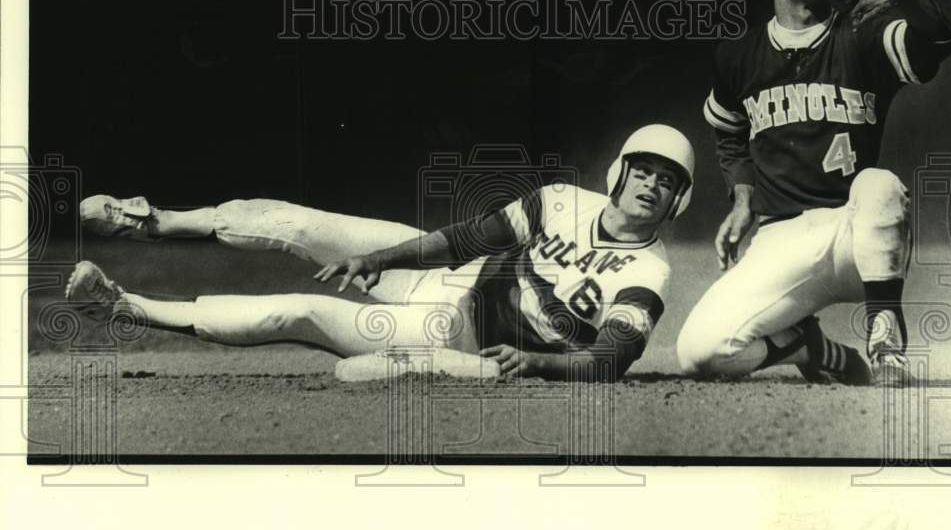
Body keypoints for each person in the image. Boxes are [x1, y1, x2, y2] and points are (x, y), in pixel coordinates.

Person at [67, 124, 694, 382]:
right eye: (645, 171)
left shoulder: (650, 270)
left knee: (299, 313)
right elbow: (465, 240)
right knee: (301, 222)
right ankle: (154, 221)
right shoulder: (561, 200)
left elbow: (612, 359)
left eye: (667, 181)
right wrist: (383, 259)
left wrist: (537, 362)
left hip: (458, 332)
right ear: (620, 172)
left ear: (676, 203)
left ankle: (124, 306)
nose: (651, 185)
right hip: (454, 279)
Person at [677, 0, 951, 385]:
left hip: (858, 235)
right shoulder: (738, 54)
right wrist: (742, 196)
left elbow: (938, 42)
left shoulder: (864, 32)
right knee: (700, 354)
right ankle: (810, 347)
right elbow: (728, 130)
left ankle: (885, 336)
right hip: (780, 239)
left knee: (879, 184)